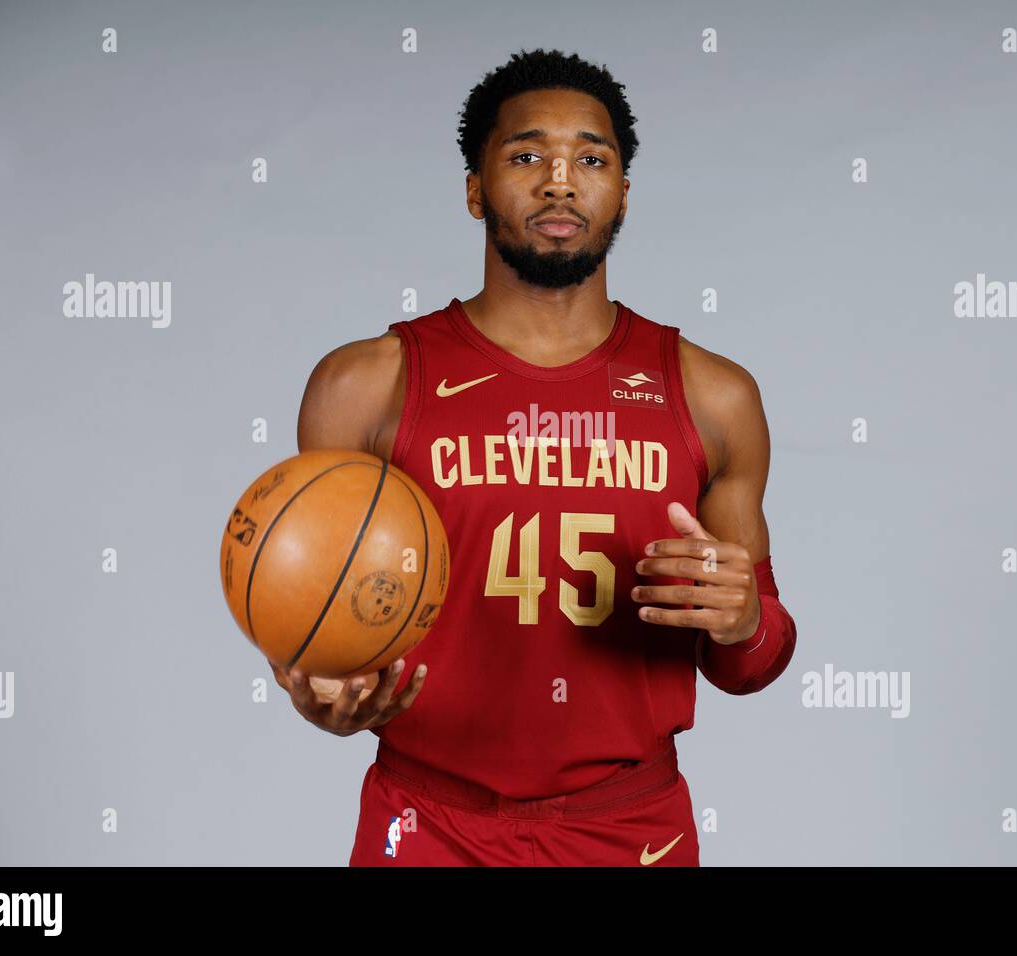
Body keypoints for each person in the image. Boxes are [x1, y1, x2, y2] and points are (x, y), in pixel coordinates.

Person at [269, 48, 797, 867]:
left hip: (629, 828)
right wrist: (324, 691)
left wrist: (746, 618)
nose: (560, 180)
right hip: (429, 817)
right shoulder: (363, 386)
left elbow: (751, 664)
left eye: (592, 158)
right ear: (476, 189)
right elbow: (317, 627)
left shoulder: (712, 394)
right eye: (526, 156)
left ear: (623, 193)